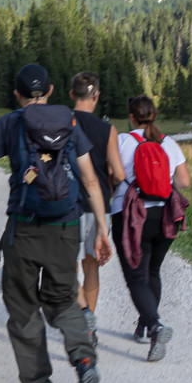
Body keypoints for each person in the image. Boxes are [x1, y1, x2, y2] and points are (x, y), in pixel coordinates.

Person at [0, 63, 110, 383]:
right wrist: (102, 229)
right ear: (51, 91)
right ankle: (84, 362)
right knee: (64, 299)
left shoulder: (11, 122)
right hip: (66, 227)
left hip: (25, 226)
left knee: (22, 307)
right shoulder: (70, 120)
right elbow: (91, 181)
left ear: (17, 94)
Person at [114, 95, 190, 360]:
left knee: (136, 277)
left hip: (132, 214)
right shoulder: (168, 142)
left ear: (132, 117)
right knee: (153, 270)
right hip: (166, 213)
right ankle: (145, 324)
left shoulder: (123, 141)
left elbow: (115, 177)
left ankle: (155, 326)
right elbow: (185, 181)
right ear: (154, 116)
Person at [67, 70, 126, 322]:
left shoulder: (62, 121)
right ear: (97, 96)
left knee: (69, 266)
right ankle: (89, 319)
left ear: (71, 94)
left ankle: (80, 316)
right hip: (98, 204)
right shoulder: (108, 129)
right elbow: (120, 174)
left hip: (68, 204)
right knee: (92, 265)